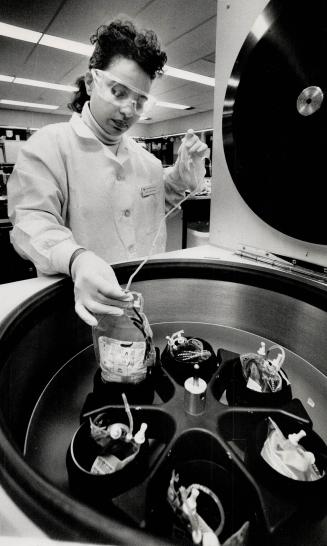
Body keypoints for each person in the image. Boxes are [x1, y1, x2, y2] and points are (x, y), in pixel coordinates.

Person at [7, 19, 208, 327]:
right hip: (75, 311)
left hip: (143, 304)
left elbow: (152, 208)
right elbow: (31, 223)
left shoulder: (148, 163)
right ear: (91, 83)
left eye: (140, 101)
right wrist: (77, 258)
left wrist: (182, 177)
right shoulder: (48, 147)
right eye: (118, 92)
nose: (129, 110)